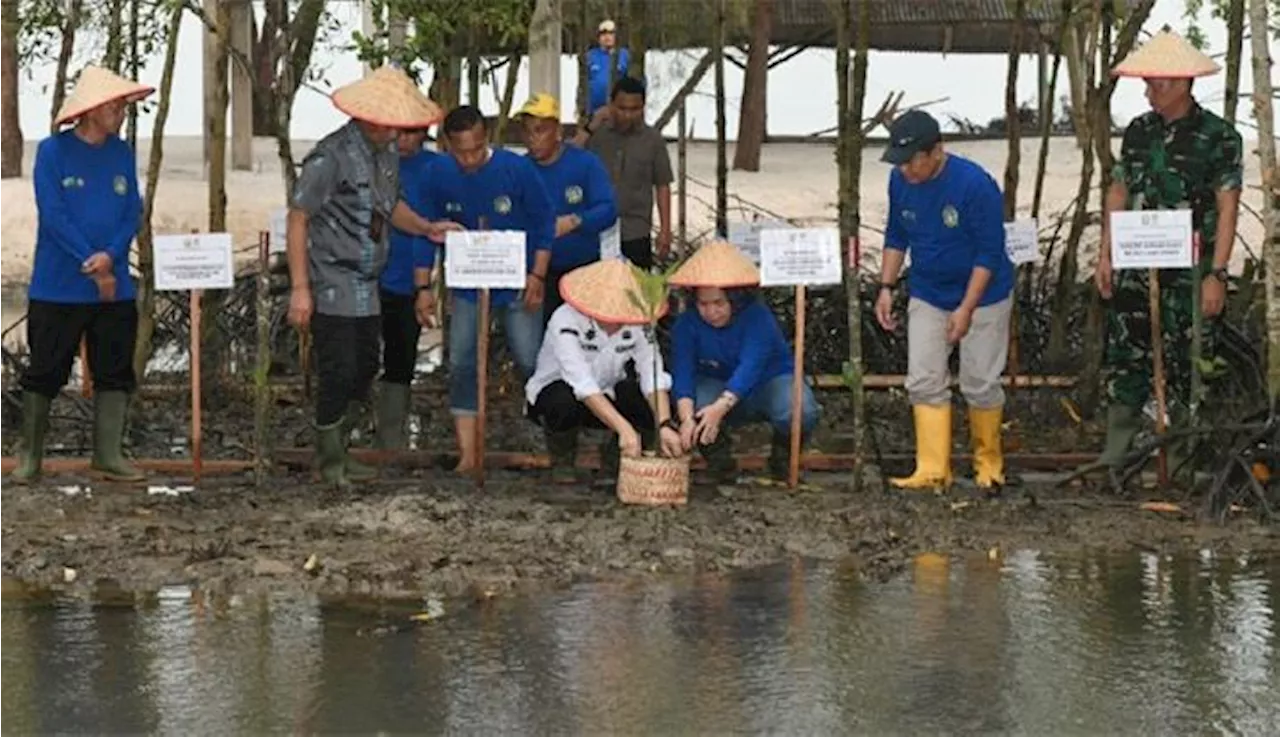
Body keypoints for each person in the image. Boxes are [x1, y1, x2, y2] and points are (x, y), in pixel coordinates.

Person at [286, 66, 456, 489]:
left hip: (368, 281)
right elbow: (298, 218)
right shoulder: (331, 156)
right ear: (369, 117)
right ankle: (329, 461)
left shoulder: (387, 155)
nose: (398, 131)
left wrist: (426, 227)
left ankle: (343, 448)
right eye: (392, 124)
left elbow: (388, 206)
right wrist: (300, 289)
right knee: (338, 367)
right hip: (331, 279)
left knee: (366, 366)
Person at [1095, 29, 1242, 481]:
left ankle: (1178, 466)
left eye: (1156, 83)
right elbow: (1119, 189)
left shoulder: (1219, 136)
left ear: (1181, 83)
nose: (1148, 91)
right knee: (1126, 361)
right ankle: (1115, 460)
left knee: (1188, 365)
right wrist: (1105, 253)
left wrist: (1217, 272)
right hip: (1136, 267)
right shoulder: (1139, 132)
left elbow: (1228, 203)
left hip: (1190, 274)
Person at [11, 66, 154, 484]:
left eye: (123, 106)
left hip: (114, 286)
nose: (120, 113)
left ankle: (108, 455)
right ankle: (30, 457)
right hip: (59, 283)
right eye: (113, 105)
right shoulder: (53, 152)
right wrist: (89, 261)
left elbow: (131, 210)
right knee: (46, 370)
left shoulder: (122, 152)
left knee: (114, 368)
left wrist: (111, 257)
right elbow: (53, 214)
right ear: (89, 110)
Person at [874, 109, 1015, 492]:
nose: (905, 171)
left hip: (985, 294)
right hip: (928, 290)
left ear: (936, 151)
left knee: (980, 380)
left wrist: (967, 309)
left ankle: (988, 464)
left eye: (912, 161)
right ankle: (933, 467)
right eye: (899, 163)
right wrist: (886, 287)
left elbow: (989, 253)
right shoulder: (899, 180)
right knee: (922, 376)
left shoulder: (975, 186)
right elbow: (896, 233)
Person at [415, 104, 557, 473]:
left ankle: (550, 437)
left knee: (531, 359)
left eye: (477, 148)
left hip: (518, 283)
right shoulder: (436, 173)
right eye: (461, 151)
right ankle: (468, 452)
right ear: (447, 145)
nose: (470, 158)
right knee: (462, 362)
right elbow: (426, 231)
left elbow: (544, 224)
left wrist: (538, 276)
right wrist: (423, 286)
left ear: (487, 139)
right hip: (466, 287)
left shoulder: (517, 169)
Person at [668, 241, 822, 484]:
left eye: (719, 303)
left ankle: (783, 457)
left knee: (800, 410)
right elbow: (682, 372)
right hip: (714, 385)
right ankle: (720, 463)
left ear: (736, 300)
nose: (711, 312)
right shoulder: (686, 324)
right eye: (703, 304)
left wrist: (721, 407)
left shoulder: (758, 318)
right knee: (696, 406)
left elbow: (751, 366)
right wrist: (686, 419)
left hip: (767, 382)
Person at [526, 258, 684, 484]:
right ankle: (563, 461)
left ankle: (618, 461)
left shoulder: (640, 321)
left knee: (646, 398)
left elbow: (652, 372)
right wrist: (623, 428)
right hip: (562, 392)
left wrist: (664, 424)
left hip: (609, 391)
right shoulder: (565, 319)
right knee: (563, 400)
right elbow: (580, 381)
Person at [517, 92, 618, 326]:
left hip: (581, 273)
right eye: (527, 131)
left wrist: (575, 221)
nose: (532, 138)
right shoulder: (518, 169)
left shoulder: (586, 164)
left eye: (540, 130)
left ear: (558, 132)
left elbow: (609, 210)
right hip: (535, 276)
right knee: (538, 349)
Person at [373, 125, 440, 449]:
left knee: (401, 359)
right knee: (359, 356)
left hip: (409, 279)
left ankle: (390, 440)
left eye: (411, 133)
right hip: (365, 277)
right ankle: (350, 432)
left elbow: (435, 228)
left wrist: (424, 285)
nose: (403, 140)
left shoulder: (436, 168)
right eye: (397, 132)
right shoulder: (369, 161)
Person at [573, 75, 673, 269]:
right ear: (611, 105)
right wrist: (590, 126)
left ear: (643, 107)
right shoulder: (596, 135)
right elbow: (568, 157)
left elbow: (662, 185)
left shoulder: (653, 140)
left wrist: (665, 230)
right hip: (595, 232)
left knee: (634, 293)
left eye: (634, 109)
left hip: (636, 232)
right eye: (622, 108)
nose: (628, 115)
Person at [584, 19, 629, 119]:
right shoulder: (591, 56)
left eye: (611, 33)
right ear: (598, 37)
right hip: (595, 112)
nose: (607, 37)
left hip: (619, 112)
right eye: (603, 34)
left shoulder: (624, 55)